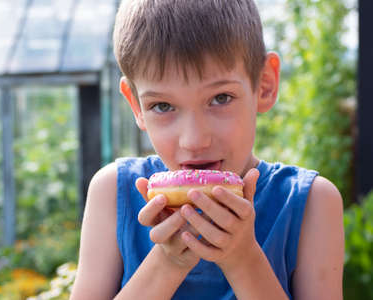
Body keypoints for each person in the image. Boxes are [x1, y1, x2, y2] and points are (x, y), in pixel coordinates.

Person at [69, 0, 344, 299]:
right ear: (136, 105)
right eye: (163, 106)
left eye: (221, 98)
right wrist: (168, 262)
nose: (194, 140)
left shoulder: (312, 203)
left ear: (264, 85)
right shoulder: (113, 193)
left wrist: (243, 259)